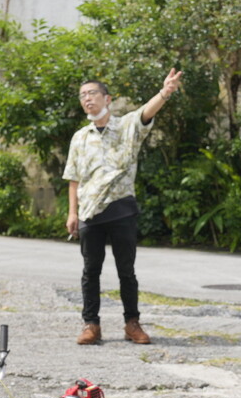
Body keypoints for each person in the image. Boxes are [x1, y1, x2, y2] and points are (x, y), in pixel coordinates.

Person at [64, 69, 183, 345]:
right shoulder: (80, 137)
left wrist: (165, 91)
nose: (87, 99)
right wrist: (72, 212)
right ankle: (91, 325)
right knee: (90, 271)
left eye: (92, 93)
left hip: (122, 210)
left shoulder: (127, 126)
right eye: (83, 95)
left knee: (126, 271)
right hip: (89, 213)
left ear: (107, 99)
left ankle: (132, 323)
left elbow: (146, 112)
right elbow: (73, 178)